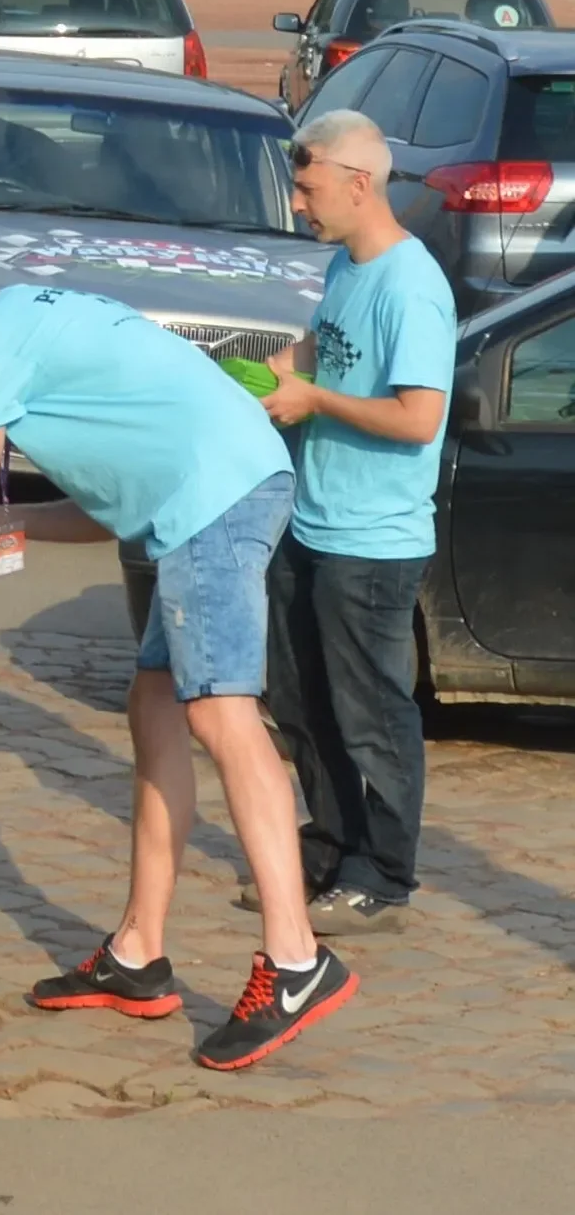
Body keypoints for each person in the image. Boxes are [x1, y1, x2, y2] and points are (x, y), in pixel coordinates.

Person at [0, 229, 358, 1072]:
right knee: (156, 705)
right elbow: (107, 506)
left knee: (220, 713)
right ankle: (138, 953)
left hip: (214, 499)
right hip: (208, 493)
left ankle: (294, 960)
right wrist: (4, 529)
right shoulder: (29, 317)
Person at [245, 110, 454, 936]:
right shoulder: (346, 266)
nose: (298, 203)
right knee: (299, 700)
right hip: (313, 521)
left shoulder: (412, 286)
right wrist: (269, 373)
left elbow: (416, 418)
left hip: (373, 542)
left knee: (371, 711)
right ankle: (329, 847)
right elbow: (322, 348)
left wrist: (313, 400)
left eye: (307, 186)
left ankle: (384, 872)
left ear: (357, 183)